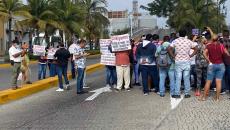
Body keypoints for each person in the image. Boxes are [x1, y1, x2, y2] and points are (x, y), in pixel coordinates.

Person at [200, 27, 229, 101]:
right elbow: (227, 53)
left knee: (208, 81)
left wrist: (208, 60)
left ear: (212, 39)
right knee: (218, 82)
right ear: (218, 39)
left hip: (211, 65)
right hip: (221, 65)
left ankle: (204, 97)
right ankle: (217, 98)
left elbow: (204, 53)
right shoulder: (221, 46)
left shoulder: (209, 46)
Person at [168, 29, 198, 98]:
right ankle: (187, 93)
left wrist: (173, 56)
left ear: (179, 34)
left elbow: (169, 48)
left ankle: (177, 93)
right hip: (187, 61)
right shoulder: (189, 41)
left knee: (178, 78)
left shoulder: (175, 41)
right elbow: (196, 48)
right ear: (185, 34)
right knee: (186, 77)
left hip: (178, 61)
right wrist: (191, 55)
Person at [221, 29, 230, 94]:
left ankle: (224, 89)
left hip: (222, 60)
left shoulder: (220, 41)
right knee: (228, 75)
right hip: (229, 60)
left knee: (223, 75)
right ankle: (228, 88)